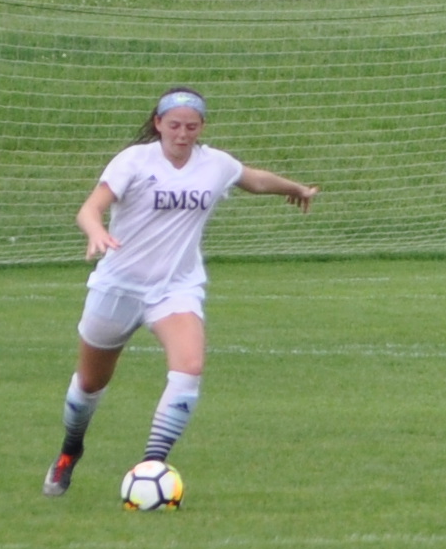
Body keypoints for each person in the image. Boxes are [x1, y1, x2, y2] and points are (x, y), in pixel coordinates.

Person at [47, 87, 317, 498]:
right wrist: (97, 231)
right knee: (89, 385)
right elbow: (90, 207)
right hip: (118, 286)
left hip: (175, 288)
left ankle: (152, 464)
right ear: (158, 124)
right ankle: (69, 451)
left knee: (189, 367)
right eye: (174, 125)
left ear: (202, 127)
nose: (183, 133)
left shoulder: (215, 164)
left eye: (192, 126)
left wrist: (295, 188)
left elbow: (254, 179)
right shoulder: (134, 161)